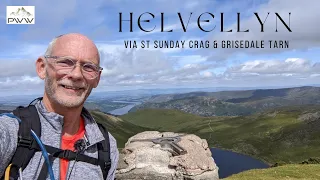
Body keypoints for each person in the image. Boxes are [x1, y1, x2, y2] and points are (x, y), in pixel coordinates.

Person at [0, 33, 119, 180]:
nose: (76, 75)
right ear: (42, 68)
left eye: (88, 67)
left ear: (97, 78)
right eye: (65, 62)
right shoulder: (11, 130)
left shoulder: (106, 145)